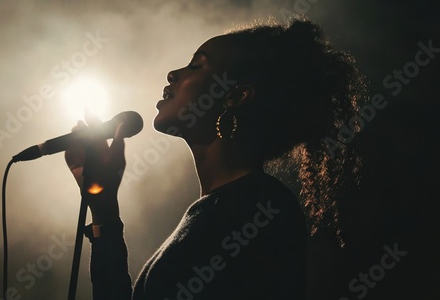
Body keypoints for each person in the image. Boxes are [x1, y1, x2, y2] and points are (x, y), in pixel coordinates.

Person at [64, 17, 365, 299]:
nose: (173, 74)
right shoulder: (225, 208)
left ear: (235, 97)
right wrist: (103, 209)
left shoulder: (259, 210)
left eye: (196, 66)